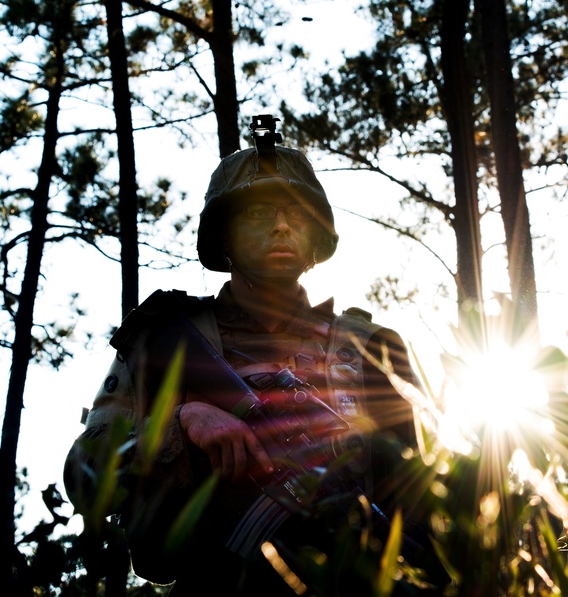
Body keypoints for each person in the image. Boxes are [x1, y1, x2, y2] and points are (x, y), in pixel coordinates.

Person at [64, 117, 435, 595]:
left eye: (297, 214)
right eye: (259, 213)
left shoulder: (373, 349)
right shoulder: (169, 338)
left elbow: (422, 506)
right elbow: (84, 476)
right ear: (223, 235)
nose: (282, 225)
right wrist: (181, 422)